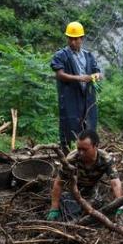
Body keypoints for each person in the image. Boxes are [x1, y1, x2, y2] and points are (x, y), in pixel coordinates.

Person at [47, 130, 123, 221]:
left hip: (93, 191)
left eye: (85, 149)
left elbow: (115, 182)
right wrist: (54, 208)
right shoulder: (72, 159)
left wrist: (120, 204)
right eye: (79, 149)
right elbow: (59, 183)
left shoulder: (105, 159)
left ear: (96, 146)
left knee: (106, 210)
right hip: (72, 192)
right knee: (73, 214)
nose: (81, 153)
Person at [50, 22, 102, 154]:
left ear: (82, 38)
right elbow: (60, 74)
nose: (73, 42)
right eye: (70, 39)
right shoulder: (61, 55)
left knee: (89, 124)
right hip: (70, 96)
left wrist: (95, 76)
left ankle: (89, 153)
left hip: (88, 97)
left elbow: (98, 72)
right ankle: (67, 155)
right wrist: (80, 78)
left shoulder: (88, 55)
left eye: (76, 39)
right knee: (69, 125)